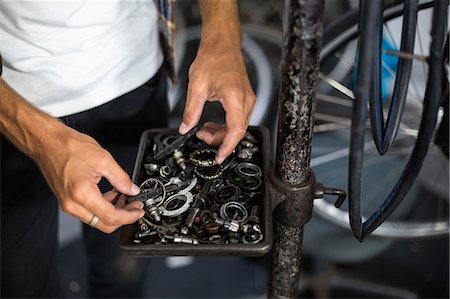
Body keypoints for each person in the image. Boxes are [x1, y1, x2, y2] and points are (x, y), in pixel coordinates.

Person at [0, 1, 256, 297]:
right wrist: (40, 139)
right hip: (13, 102)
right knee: (21, 285)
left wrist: (223, 35)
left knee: (122, 271)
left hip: (134, 77)